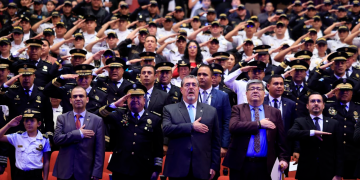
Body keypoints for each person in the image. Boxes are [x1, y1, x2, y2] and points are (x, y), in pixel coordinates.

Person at [223, 79, 289, 179]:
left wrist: (283, 158)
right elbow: (233, 127)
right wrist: (258, 124)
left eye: (258, 89)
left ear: (264, 93)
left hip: (265, 164)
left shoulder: (274, 112)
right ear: (246, 93)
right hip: (241, 163)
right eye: (252, 89)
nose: (255, 91)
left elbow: (281, 139)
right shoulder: (238, 109)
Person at [96, 83, 163, 180]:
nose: (135, 100)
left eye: (138, 97)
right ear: (126, 99)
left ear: (144, 100)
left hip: (144, 168)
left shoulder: (155, 119)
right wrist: (114, 105)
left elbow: (158, 148)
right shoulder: (119, 114)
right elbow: (96, 117)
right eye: (131, 97)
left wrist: (157, 169)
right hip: (121, 168)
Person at [162, 75, 221, 180]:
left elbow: (215, 141)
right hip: (177, 165)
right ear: (181, 90)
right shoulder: (169, 109)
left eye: (194, 85)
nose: (191, 87)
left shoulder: (211, 111)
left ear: (198, 89)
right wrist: (191, 126)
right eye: (187, 85)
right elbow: (166, 129)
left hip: (202, 166)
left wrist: (214, 165)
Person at [53, 86, 105, 180]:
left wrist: (97, 172)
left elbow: (99, 149)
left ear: (87, 99)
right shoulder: (62, 118)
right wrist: (78, 133)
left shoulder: (97, 120)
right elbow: (57, 140)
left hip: (86, 171)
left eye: (81, 96)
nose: (78, 99)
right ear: (70, 100)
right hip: (65, 171)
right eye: (75, 96)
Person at [287, 93, 343, 180]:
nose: (316, 103)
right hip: (306, 171)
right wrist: (311, 132)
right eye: (313, 101)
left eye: (319, 101)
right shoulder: (300, 121)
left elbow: (339, 150)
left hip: (328, 171)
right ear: (307, 106)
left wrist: (338, 174)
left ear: (323, 105)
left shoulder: (334, 123)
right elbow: (291, 133)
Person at [323, 78, 360, 180]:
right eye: (341, 90)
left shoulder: (358, 108)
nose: (345, 92)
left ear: (352, 92)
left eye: (347, 90)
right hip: (333, 154)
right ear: (335, 92)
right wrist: (326, 96)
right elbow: (309, 106)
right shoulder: (326, 107)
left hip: (353, 155)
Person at [0, 110, 51, 180]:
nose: (29, 123)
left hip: (35, 175)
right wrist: (9, 125)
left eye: (32, 120)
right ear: (23, 123)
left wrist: (45, 178)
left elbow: (46, 161)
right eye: (26, 121)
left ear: (39, 123)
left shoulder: (44, 139)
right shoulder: (17, 136)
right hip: (19, 175)